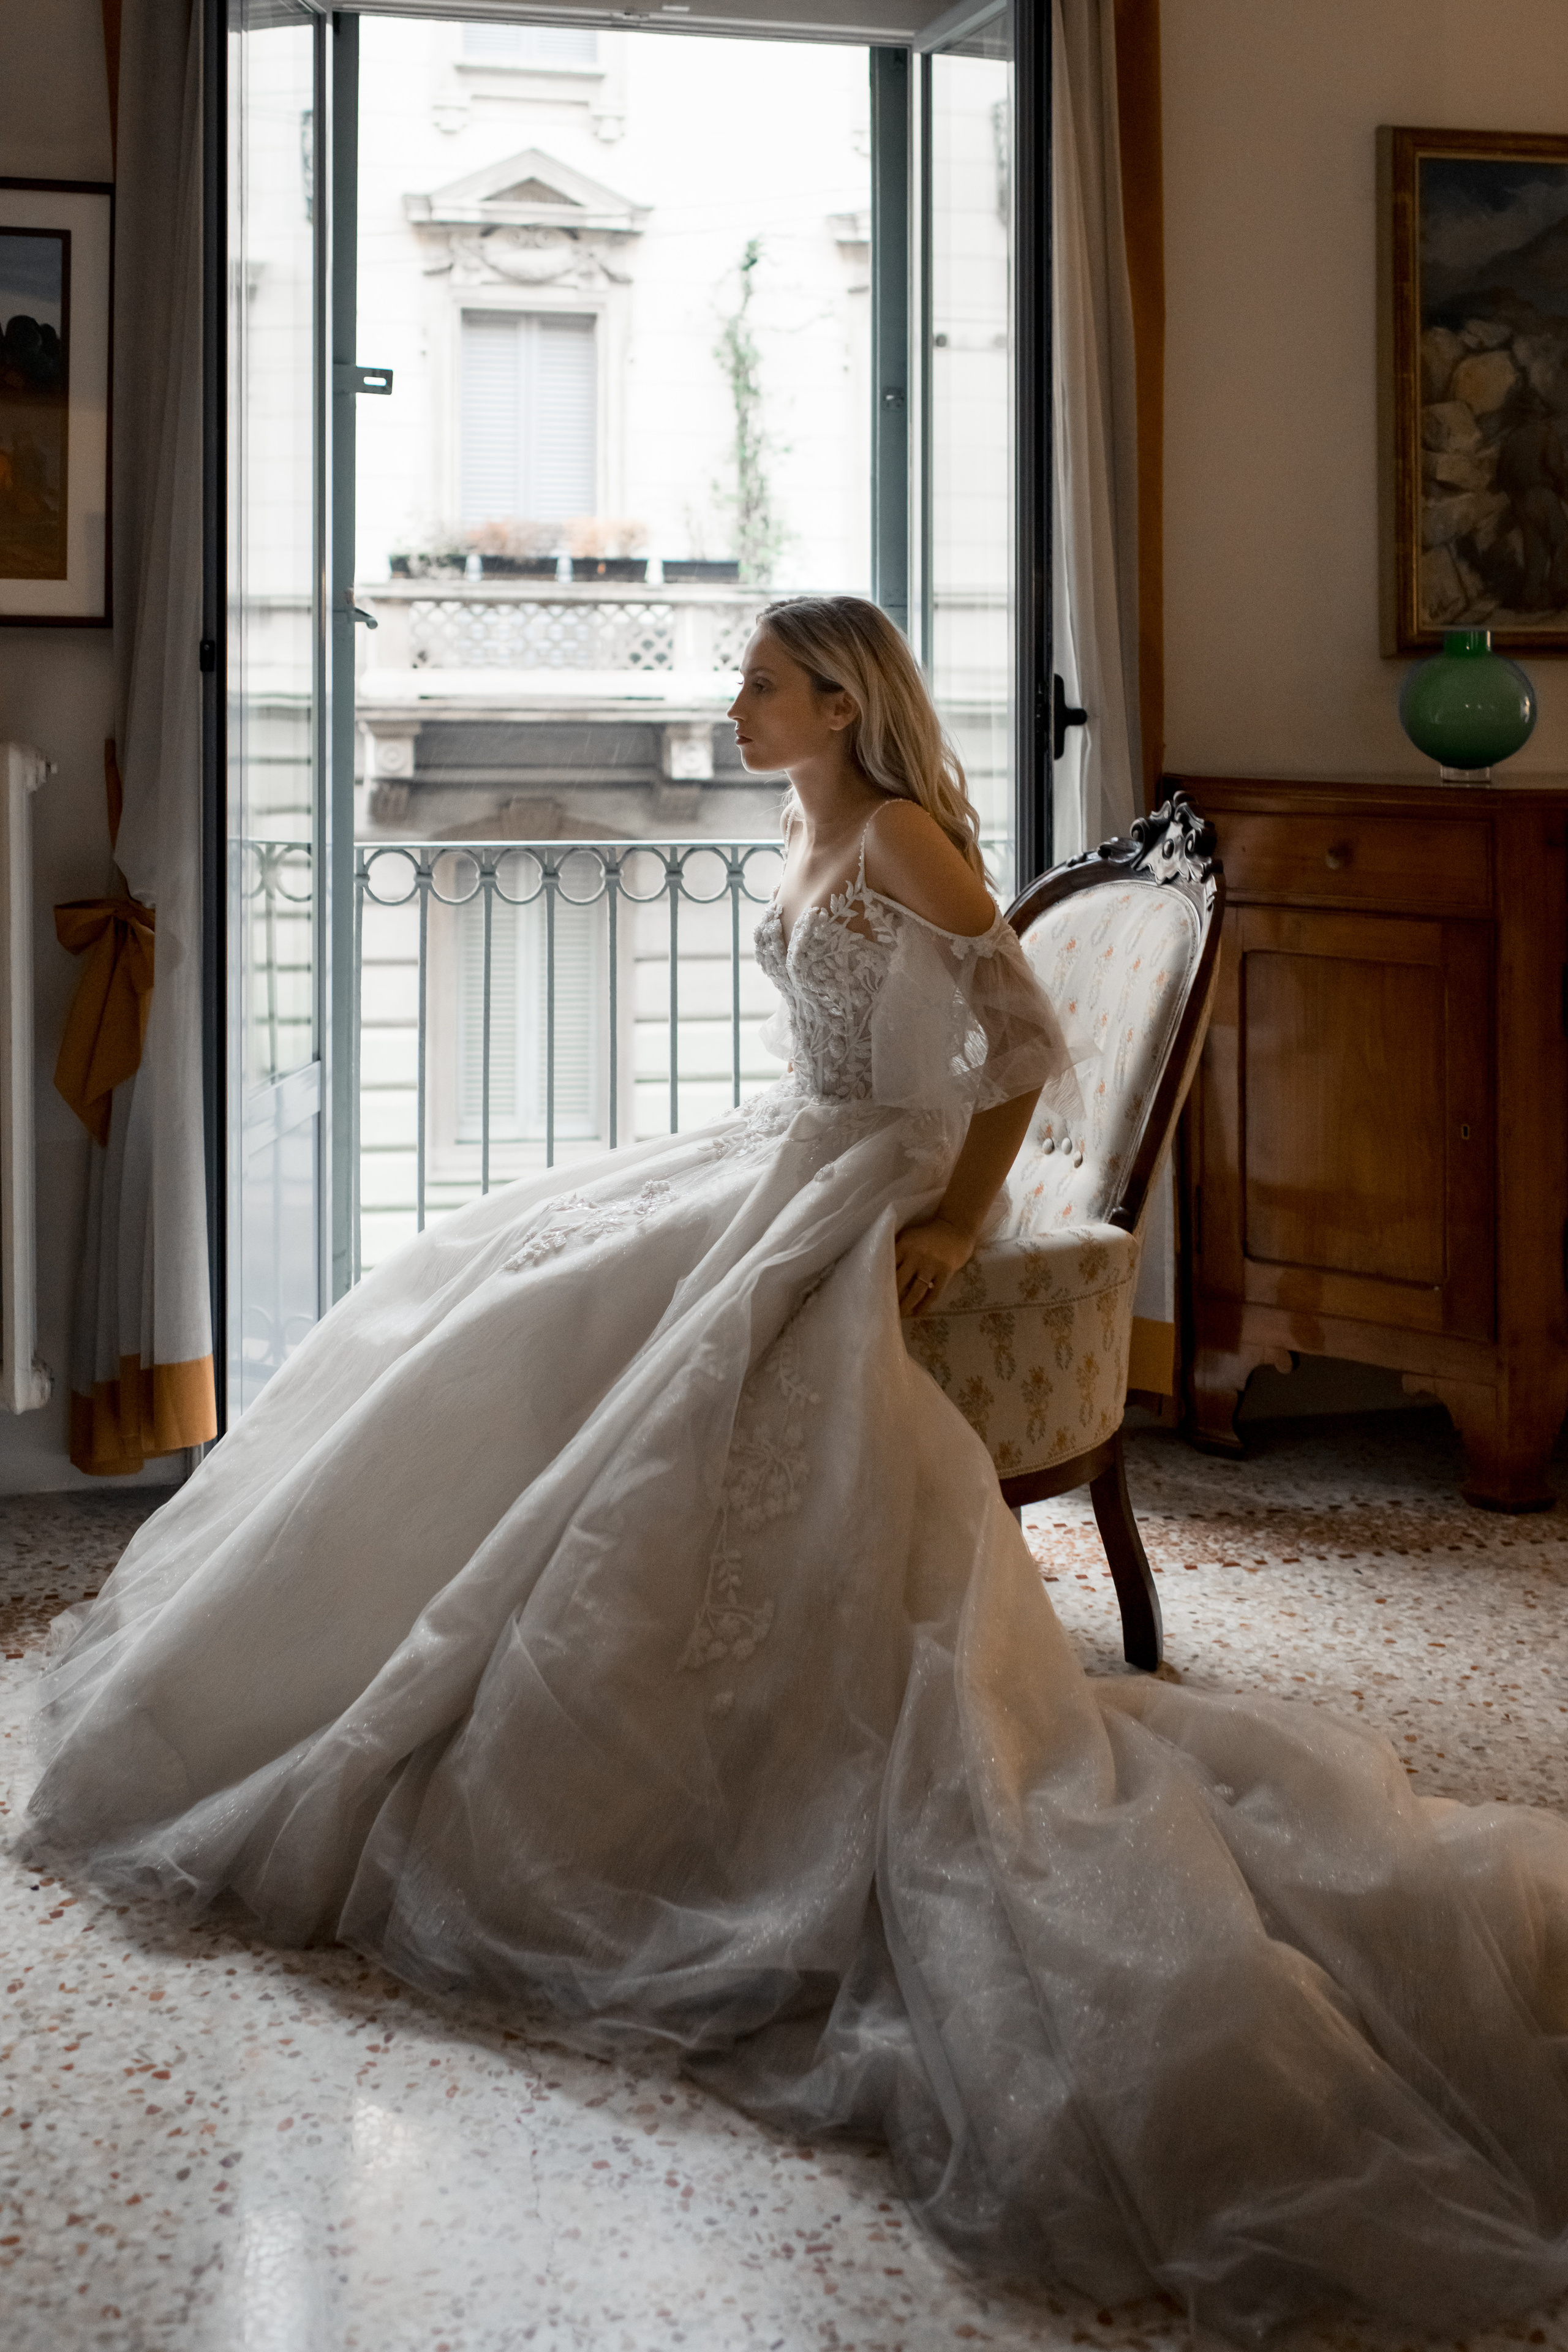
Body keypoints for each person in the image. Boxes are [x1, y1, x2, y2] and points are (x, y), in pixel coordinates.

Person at [20, 598, 1568, 2342]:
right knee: (499, 1278)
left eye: (760, 683)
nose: (736, 704)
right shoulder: (800, 811)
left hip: (876, 1173)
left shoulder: (898, 832)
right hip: (796, 1145)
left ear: (842, 701)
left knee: (611, 1328)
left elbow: (1023, 1043)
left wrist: (956, 1215)